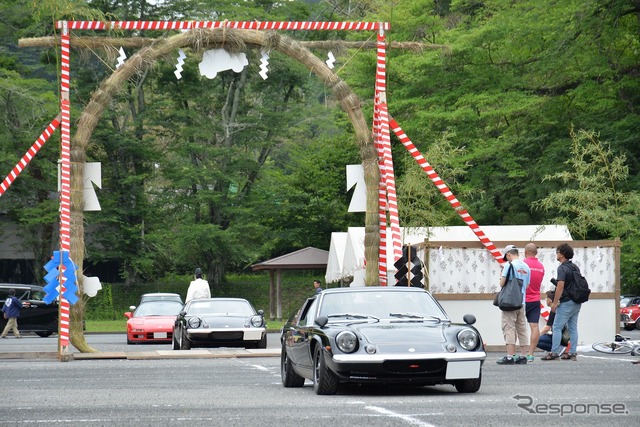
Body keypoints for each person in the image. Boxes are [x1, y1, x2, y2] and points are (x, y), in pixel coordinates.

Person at [542, 243, 581, 361]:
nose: (556, 254)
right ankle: (572, 352)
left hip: (566, 301)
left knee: (557, 327)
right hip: (577, 301)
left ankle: (554, 352)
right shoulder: (575, 267)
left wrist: (554, 302)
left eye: (557, 252)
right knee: (573, 327)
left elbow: (560, 286)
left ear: (562, 254)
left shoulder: (562, 268)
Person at [497, 245, 531, 365]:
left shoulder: (508, 265)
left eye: (507, 257)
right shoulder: (526, 267)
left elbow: (502, 283)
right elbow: (526, 286)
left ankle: (510, 357)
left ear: (508, 254)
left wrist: (501, 278)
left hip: (509, 302)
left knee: (509, 328)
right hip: (521, 302)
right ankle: (523, 356)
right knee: (522, 329)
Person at [523, 243, 544, 362]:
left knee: (517, 326)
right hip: (535, 299)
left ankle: (519, 353)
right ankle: (530, 354)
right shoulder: (541, 266)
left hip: (523, 299)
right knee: (534, 326)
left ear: (525, 252)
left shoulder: (523, 264)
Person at [537, 290, 569, 354]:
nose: (546, 300)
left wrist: (536, 336)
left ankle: (559, 349)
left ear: (550, 300)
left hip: (559, 337)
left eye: (546, 298)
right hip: (566, 337)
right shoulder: (561, 308)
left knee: (537, 341)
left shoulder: (553, 310)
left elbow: (547, 327)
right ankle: (559, 348)